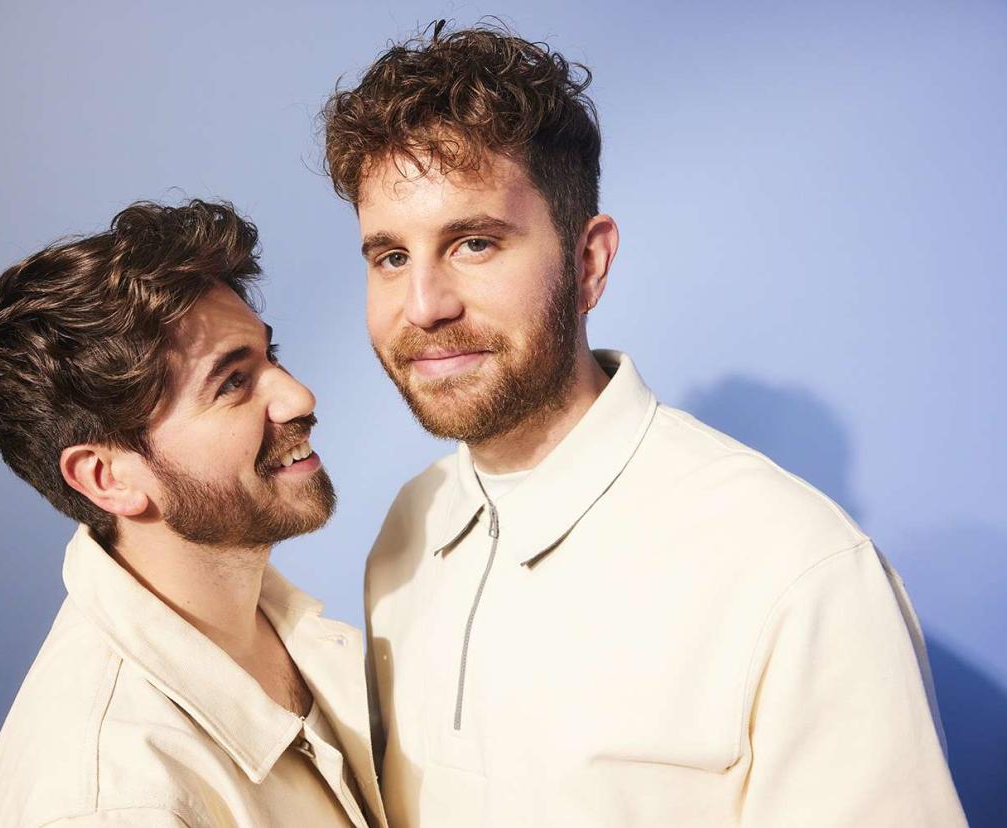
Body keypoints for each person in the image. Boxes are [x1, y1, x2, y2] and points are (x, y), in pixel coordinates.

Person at [322, 23, 967, 826]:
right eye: (389, 257)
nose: (423, 305)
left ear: (588, 264)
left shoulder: (800, 574)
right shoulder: (407, 532)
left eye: (475, 242)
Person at [0, 200, 385, 828]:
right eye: (232, 383)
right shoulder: (114, 801)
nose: (298, 395)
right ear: (109, 478)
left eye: (270, 357)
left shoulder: (289, 630)